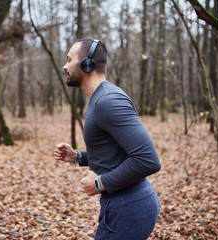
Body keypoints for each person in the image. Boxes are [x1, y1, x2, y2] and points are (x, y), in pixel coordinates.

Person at [54, 37, 161, 240]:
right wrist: (77, 156)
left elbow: (148, 160)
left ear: (87, 64)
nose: (64, 66)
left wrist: (100, 183)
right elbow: (115, 152)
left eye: (69, 60)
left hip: (129, 206)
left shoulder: (108, 101)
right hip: (122, 203)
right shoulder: (100, 98)